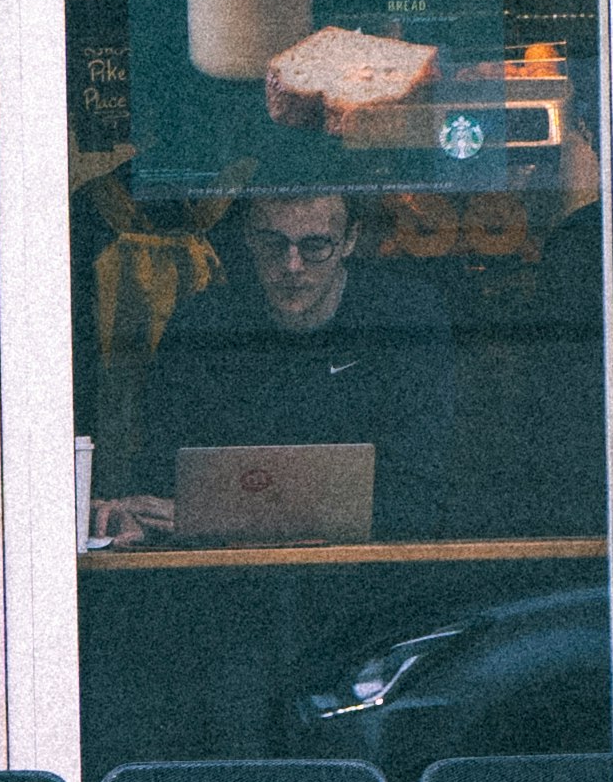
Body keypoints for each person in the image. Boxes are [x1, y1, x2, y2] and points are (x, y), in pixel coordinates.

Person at [135, 185, 463, 537]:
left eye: (315, 246)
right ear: (248, 237)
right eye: (273, 244)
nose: (292, 266)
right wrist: (138, 519)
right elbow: (162, 478)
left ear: (350, 240)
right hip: (228, 571)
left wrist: (227, 517)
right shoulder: (203, 324)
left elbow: (415, 498)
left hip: (360, 570)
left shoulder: (402, 319)